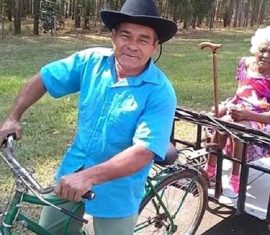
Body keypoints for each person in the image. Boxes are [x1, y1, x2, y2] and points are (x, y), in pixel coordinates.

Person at [0, 0, 177, 234]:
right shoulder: (91, 62)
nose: (133, 46)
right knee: (49, 230)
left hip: (119, 189)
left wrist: (89, 176)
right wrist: (13, 117)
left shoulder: (160, 91)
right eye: (125, 35)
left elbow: (143, 152)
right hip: (72, 172)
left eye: (143, 39)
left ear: (155, 46)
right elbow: (45, 77)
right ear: (113, 36)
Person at [205, 25, 270, 200]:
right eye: (262, 50)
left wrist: (246, 115)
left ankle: (235, 180)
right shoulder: (244, 64)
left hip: (266, 118)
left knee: (240, 128)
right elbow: (241, 95)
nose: (266, 55)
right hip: (240, 111)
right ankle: (209, 170)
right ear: (255, 49)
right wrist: (226, 106)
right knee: (221, 123)